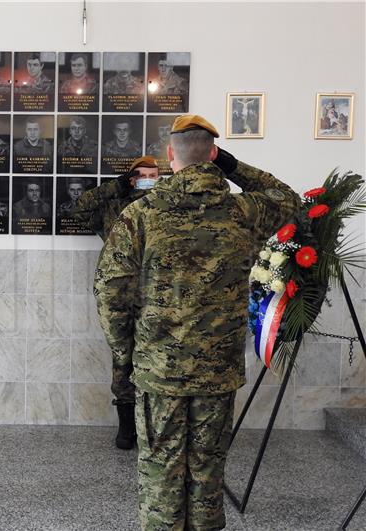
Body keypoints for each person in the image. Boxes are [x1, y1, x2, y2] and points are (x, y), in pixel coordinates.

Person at [95, 115, 300, 530]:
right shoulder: (243, 209)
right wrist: (233, 165)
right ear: (212, 154)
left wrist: (126, 352)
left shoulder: (142, 214)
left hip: (159, 369)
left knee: (160, 469)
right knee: (208, 468)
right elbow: (288, 198)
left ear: (170, 156)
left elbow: (109, 289)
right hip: (217, 368)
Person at [72, 156, 160, 449]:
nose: (149, 178)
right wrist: (118, 185)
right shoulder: (113, 207)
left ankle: (152, 429)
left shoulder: (166, 208)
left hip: (157, 295)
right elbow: (80, 207)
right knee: (123, 360)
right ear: (132, 178)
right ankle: (127, 429)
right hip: (120, 295)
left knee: (157, 358)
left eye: (154, 174)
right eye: (142, 175)